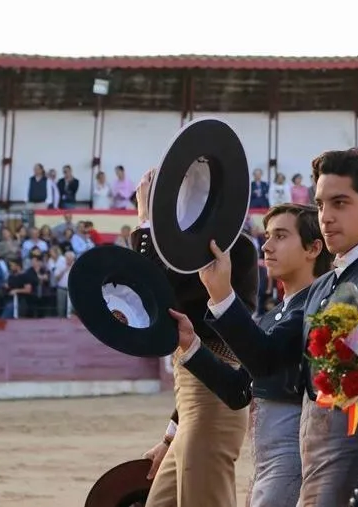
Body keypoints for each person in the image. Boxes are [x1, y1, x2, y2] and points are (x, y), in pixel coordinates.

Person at [210, 149, 358, 507]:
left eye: (340, 203)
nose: (326, 217)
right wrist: (221, 296)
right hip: (315, 462)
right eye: (321, 204)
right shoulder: (320, 287)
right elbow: (267, 361)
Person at [193, 203, 333, 507]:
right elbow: (238, 390)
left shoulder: (317, 307)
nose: (267, 246)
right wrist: (190, 346)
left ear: (313, 248)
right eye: (267, 236)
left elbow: (263, 358)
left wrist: (222, 294)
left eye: (280, 236)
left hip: (292, 452)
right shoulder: (276, 315)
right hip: (265, 459)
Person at [132, 168, 257, 507]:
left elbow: (148, 297)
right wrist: (171, 435)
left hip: (211, 401)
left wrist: (145, 224)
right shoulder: (202, 250)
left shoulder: (233, 250)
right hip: (195, 403)